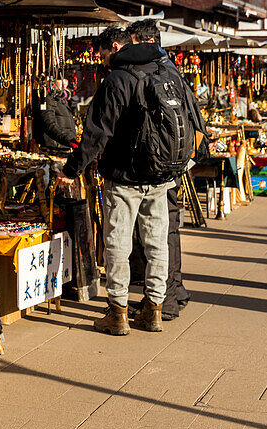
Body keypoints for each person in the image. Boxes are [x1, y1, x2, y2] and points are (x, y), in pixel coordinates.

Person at [59, 27, 201, 335]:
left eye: (103, 54)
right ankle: (154, 311)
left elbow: (96, 134)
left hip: (124, 177)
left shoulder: (117, 79)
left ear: (114, 49)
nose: (103, 59)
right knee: (157, 244)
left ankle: (118, 312)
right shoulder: (168, 73)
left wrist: (72, 170)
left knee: (118, 244)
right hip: (162, 175)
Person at [125, 19, 203, 320]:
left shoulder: (156, 73)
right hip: (176, 162)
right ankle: (175, 289)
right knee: (168, 228)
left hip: (163, 166)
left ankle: (165, 300)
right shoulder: (170, 70)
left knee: (163, 231)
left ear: (144, 42)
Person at [33, 78, 77, 151]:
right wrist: (67, 139)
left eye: (66, 79)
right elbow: (48, 122)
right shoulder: (49, 99)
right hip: (55, 146)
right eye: (61, 79)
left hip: (64, 145)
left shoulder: (62, 99)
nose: (65, 82)